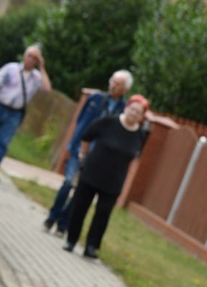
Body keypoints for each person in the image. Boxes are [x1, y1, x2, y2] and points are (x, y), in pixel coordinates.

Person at [44, 70, 132, 235]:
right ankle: (52, 217)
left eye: (118, 84)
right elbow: (80, 121)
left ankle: (63, 224)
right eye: (113, 81)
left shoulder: (124, 109)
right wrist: (72, 145)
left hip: (97, 157)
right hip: (79, 149)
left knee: (79, 192)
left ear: (125, 89)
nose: (114, 86)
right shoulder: (95, 100)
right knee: (68, 183)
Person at [62, 94, 150, 259]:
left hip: (114, 180)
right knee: (80, 208)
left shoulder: (139, 135)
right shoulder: (109, 122)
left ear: (141, 117)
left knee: (103, 214)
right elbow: (87, 136)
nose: (133, 114)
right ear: (126, 108)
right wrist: (83, 156)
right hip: (92, 172)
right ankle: (71, 240)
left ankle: (91, 246)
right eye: (132, 109)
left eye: (138, 112)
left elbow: (135, 155)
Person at [0, 44, 52, 182]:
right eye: (29, 55)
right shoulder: (11, 68)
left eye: (35, 58)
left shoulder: (37, 77)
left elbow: (47, 89)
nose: (31, 59)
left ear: (37, 61)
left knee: (3, 142)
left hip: (15, 113)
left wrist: (42, 67)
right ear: (24, 55)